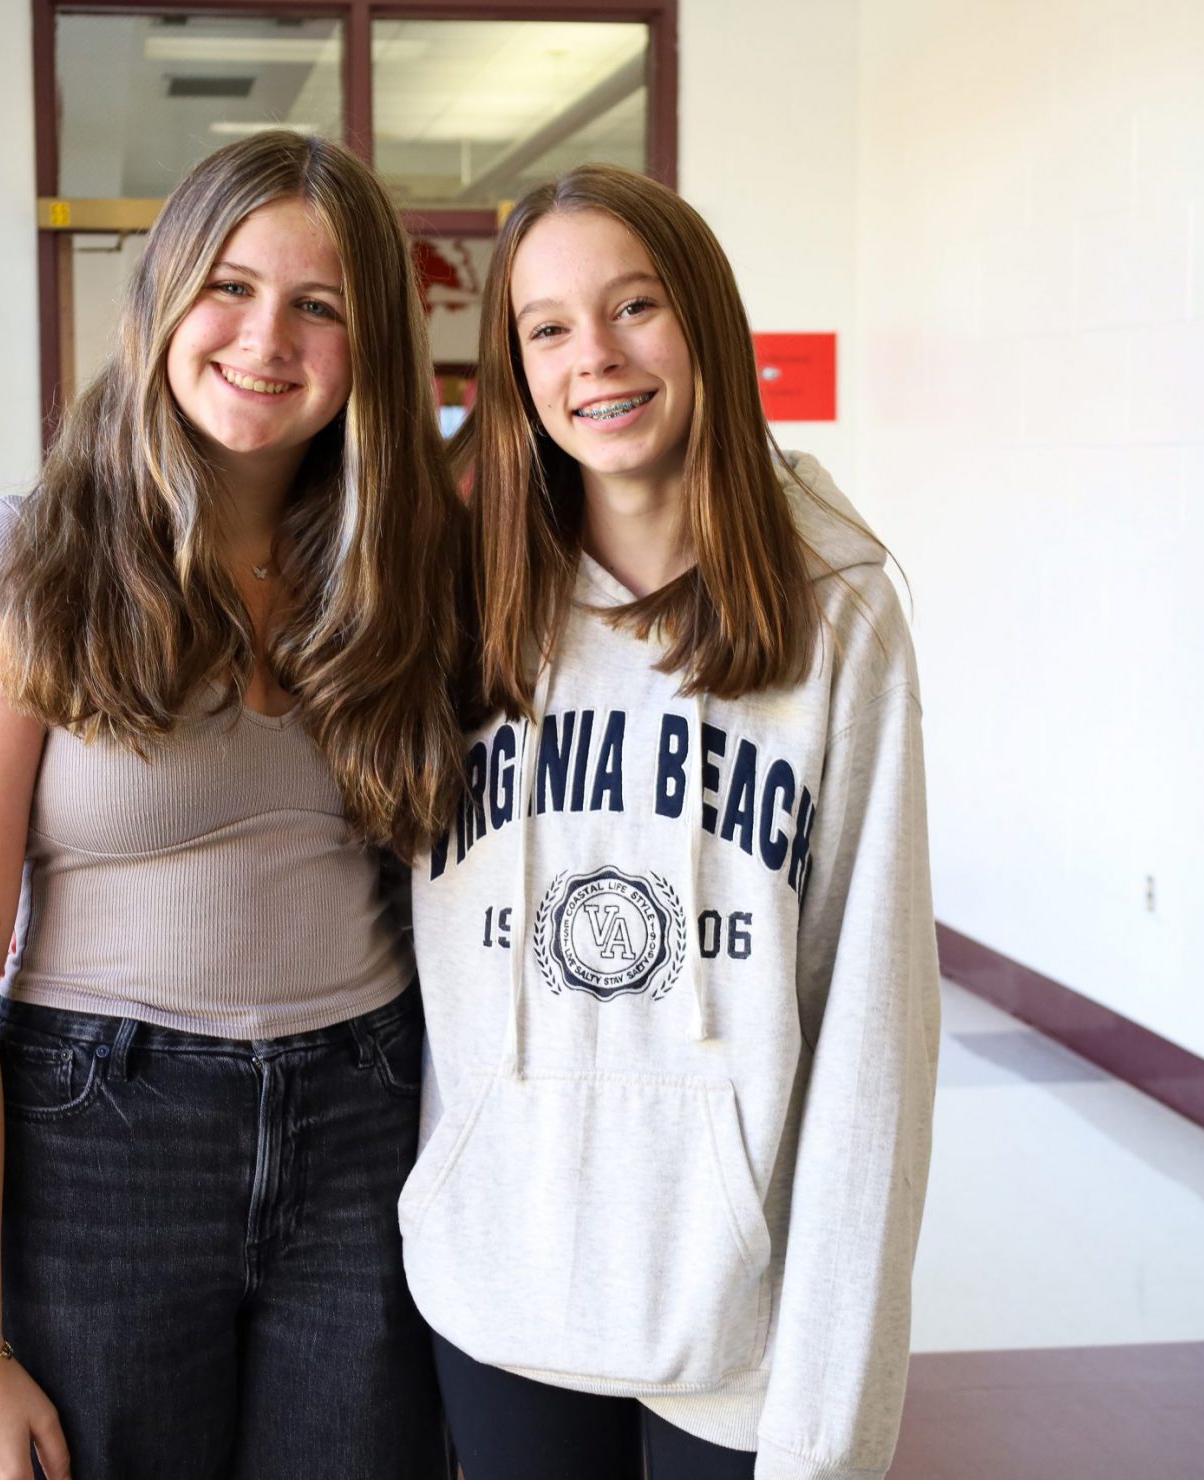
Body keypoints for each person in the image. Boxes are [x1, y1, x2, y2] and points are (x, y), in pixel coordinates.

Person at [0, 130, 464, 1480]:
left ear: (370, 344)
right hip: (102, 1140)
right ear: (155, 304)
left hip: (368, 1124)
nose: (269, 337)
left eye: (319, 306)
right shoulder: (18, 567)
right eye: (231, 287)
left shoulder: (394, 573)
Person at [402, 164, 941, 1480]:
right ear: (513, 367)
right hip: (501, 1297)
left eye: (634, 305)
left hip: (740, 1319)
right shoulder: (456, 602)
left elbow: (876, 1035)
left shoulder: (838, 609)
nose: (596, 356)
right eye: (547, 327)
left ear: (705, 322)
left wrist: (835, 1419)